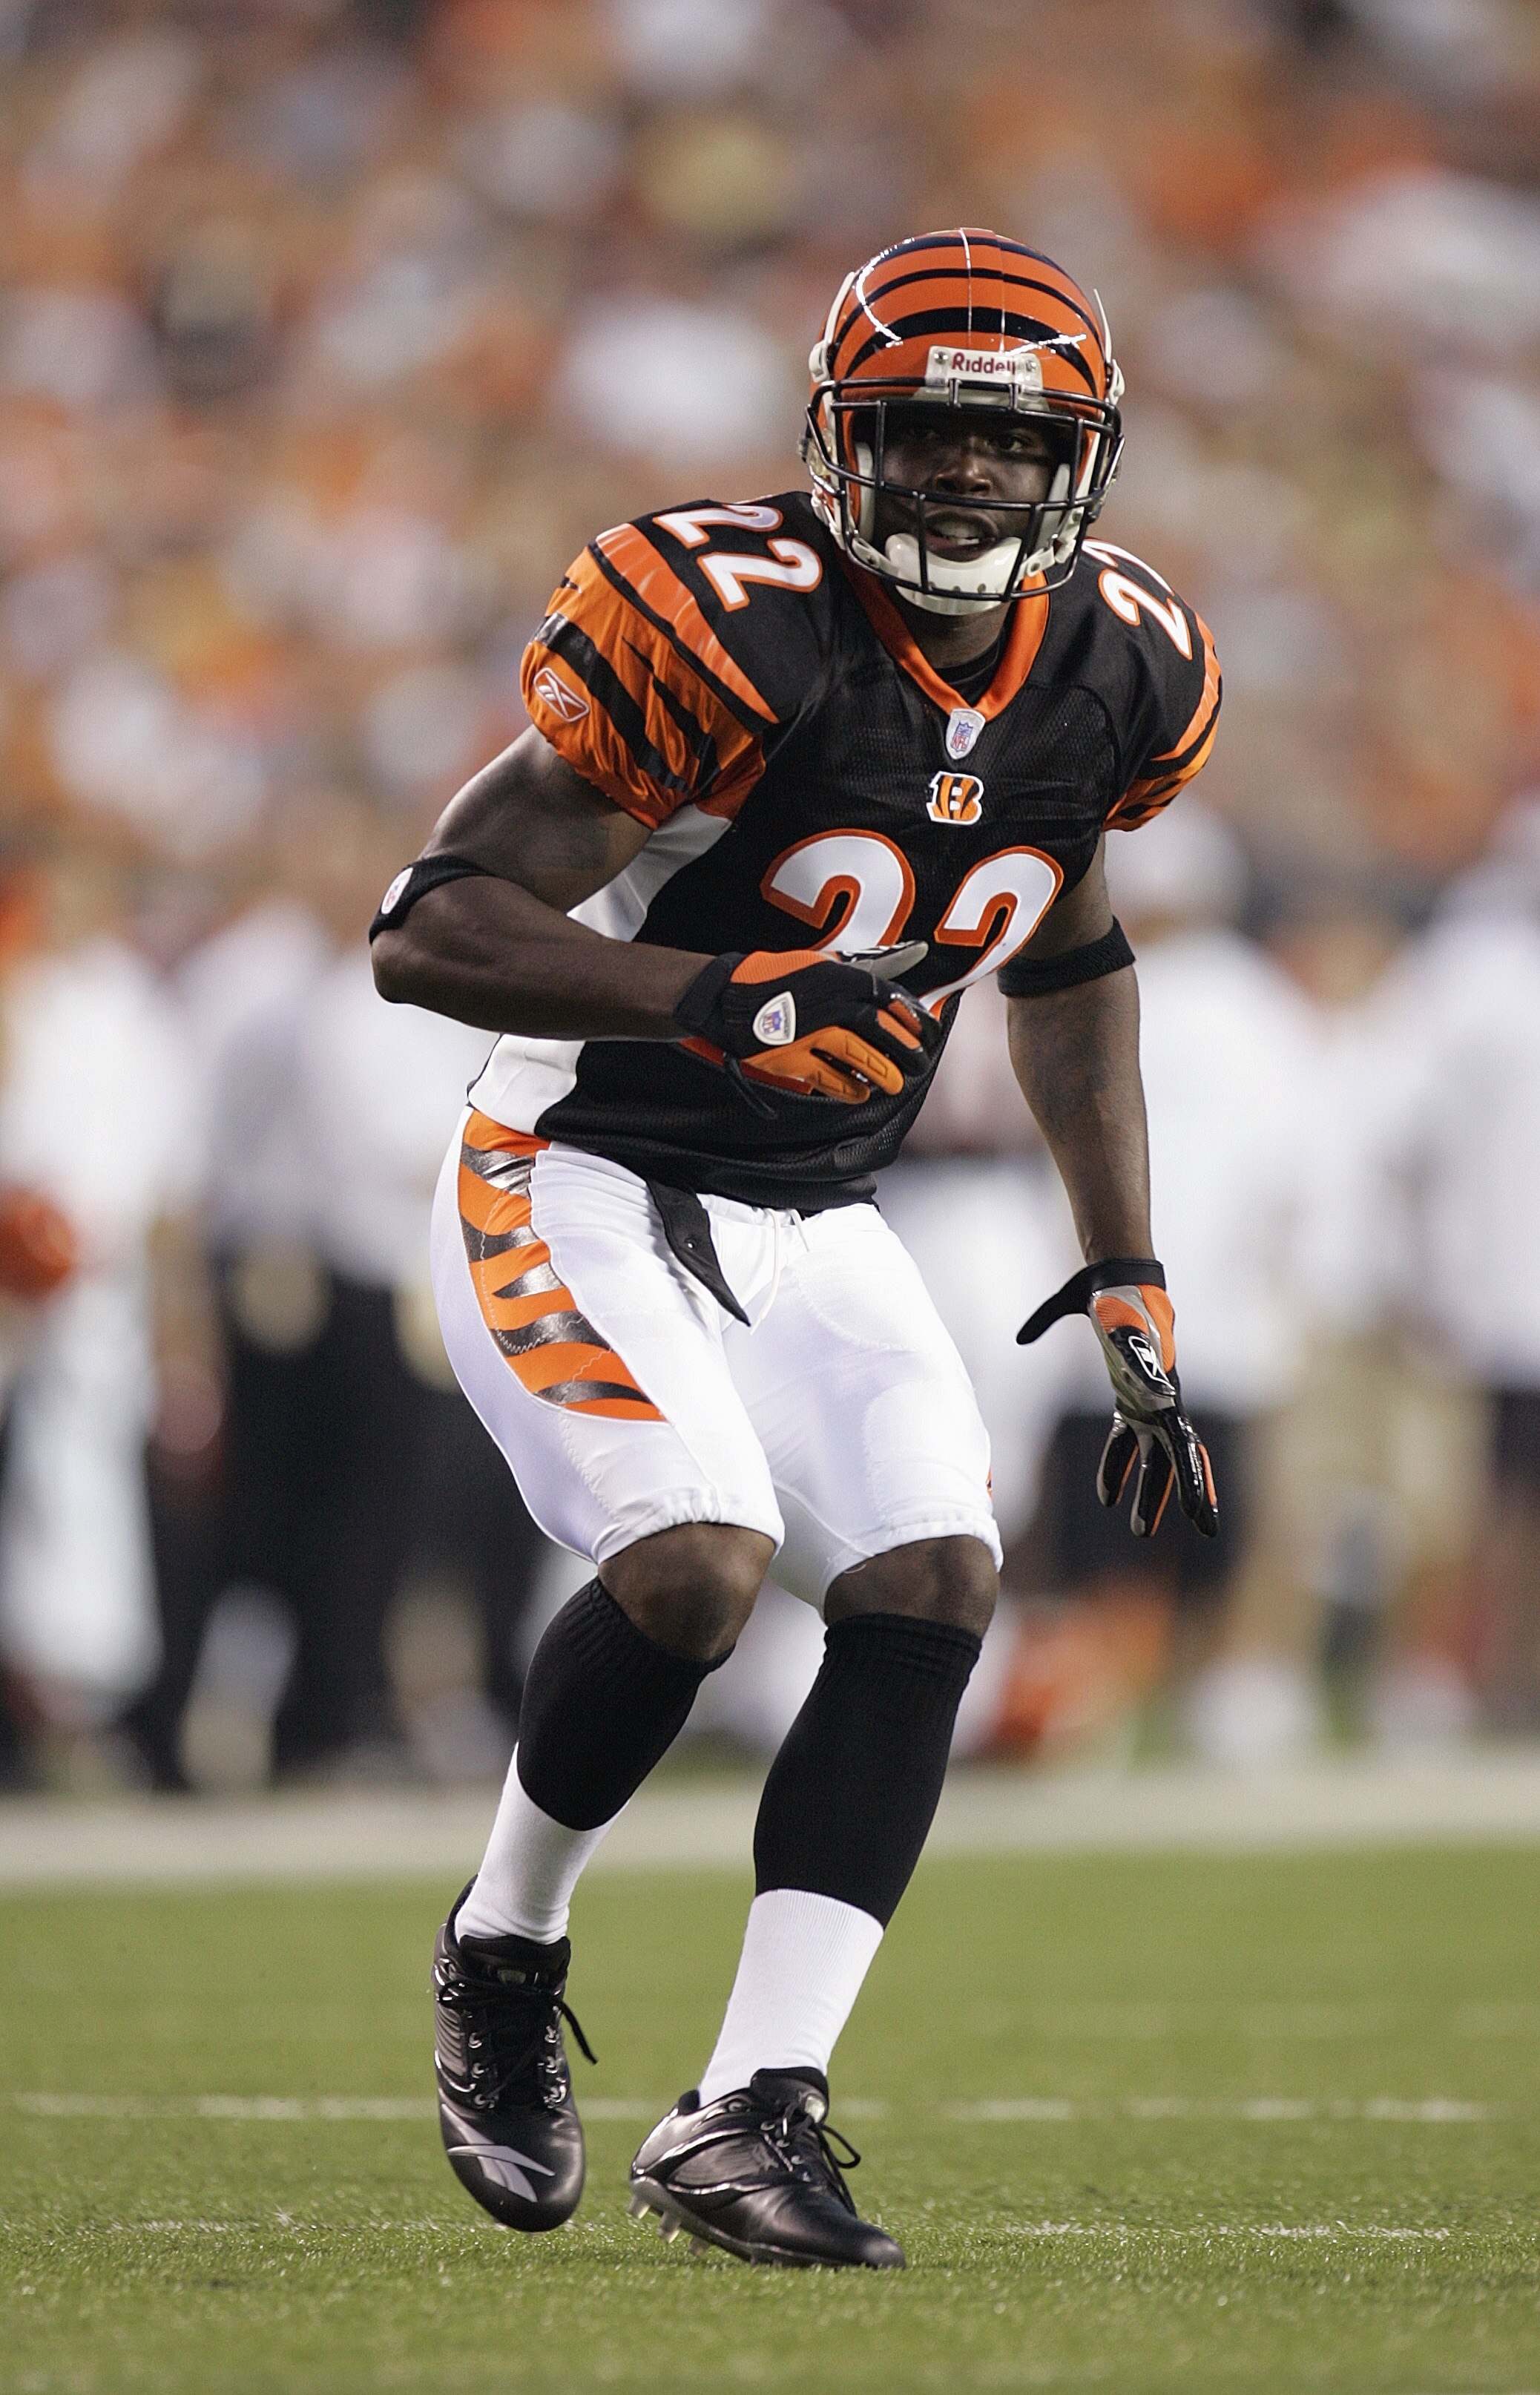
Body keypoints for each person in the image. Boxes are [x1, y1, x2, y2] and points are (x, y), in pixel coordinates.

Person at [372, 229, 1221, 2270]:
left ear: (1073, 471)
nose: (960, 480)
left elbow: (1072, 960)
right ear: (842, 441)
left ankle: (750, 2103)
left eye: (1005, 451)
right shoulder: (727, 625)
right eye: (921, 435)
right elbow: (428, 926)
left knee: (935, 1576)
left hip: (810, 1204)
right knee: (695, 1562)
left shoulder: (1117, 663)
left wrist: (1123, 1266)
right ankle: (503, 1943)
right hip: (572, 1157)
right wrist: (715, 992)